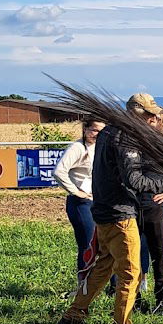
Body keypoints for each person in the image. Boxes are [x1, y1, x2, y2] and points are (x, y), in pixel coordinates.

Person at [57, 93, 163, 324]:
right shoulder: (127, 138)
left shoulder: (108, 131)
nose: (154, 118)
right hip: (121, 214)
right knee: (131, 273)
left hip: (102, 211)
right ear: (139, 114)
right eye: (150, 114)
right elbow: (134, 179)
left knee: (103, 267)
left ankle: (74, 314)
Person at [53, 118, 105, 283]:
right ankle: (84, 284)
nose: (97, 134)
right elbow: (59, 171)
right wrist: (76, 191)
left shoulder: (101, 147)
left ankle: (107, 285)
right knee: (88, 244)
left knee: (105, 245)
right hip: (81, 203)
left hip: (99, 202)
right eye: (94, 130)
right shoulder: (77, 147)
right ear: (85, 129)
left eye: (101, 131)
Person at [136, 111, 163, 314]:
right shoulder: (130, 143)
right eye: (148, 119)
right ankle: (136, 299)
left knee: (159, 255)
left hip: (155, 207)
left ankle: (161, 301)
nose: (151, 123)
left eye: (155, 119)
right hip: (131, 206)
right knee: (133, 256)